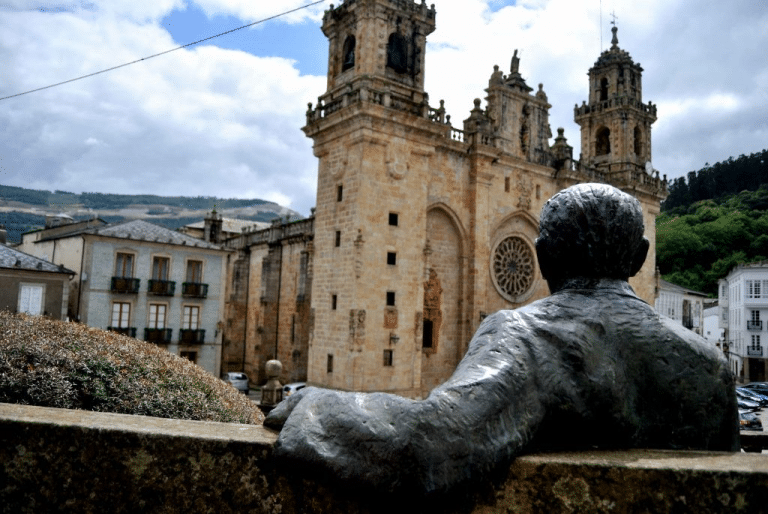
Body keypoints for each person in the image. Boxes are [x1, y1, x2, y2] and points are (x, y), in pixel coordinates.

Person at [264, 183, 738, 494]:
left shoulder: (525, 334)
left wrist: (312, 405)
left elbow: (429, 445)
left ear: (544, 257)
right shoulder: (710, 365)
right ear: (639, 257)